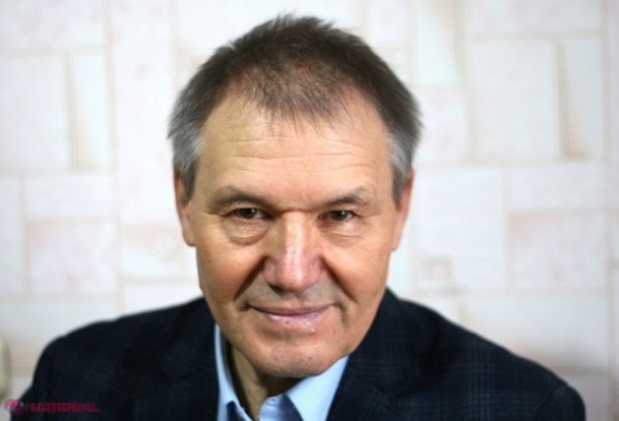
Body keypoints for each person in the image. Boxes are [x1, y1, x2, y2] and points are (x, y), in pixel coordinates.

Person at [18, 16, 584, 421]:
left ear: (399, 209)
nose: (292, 274)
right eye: (248, 213)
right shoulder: (73, 379)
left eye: (340, 214)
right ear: (185, 203)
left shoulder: (524, 408)